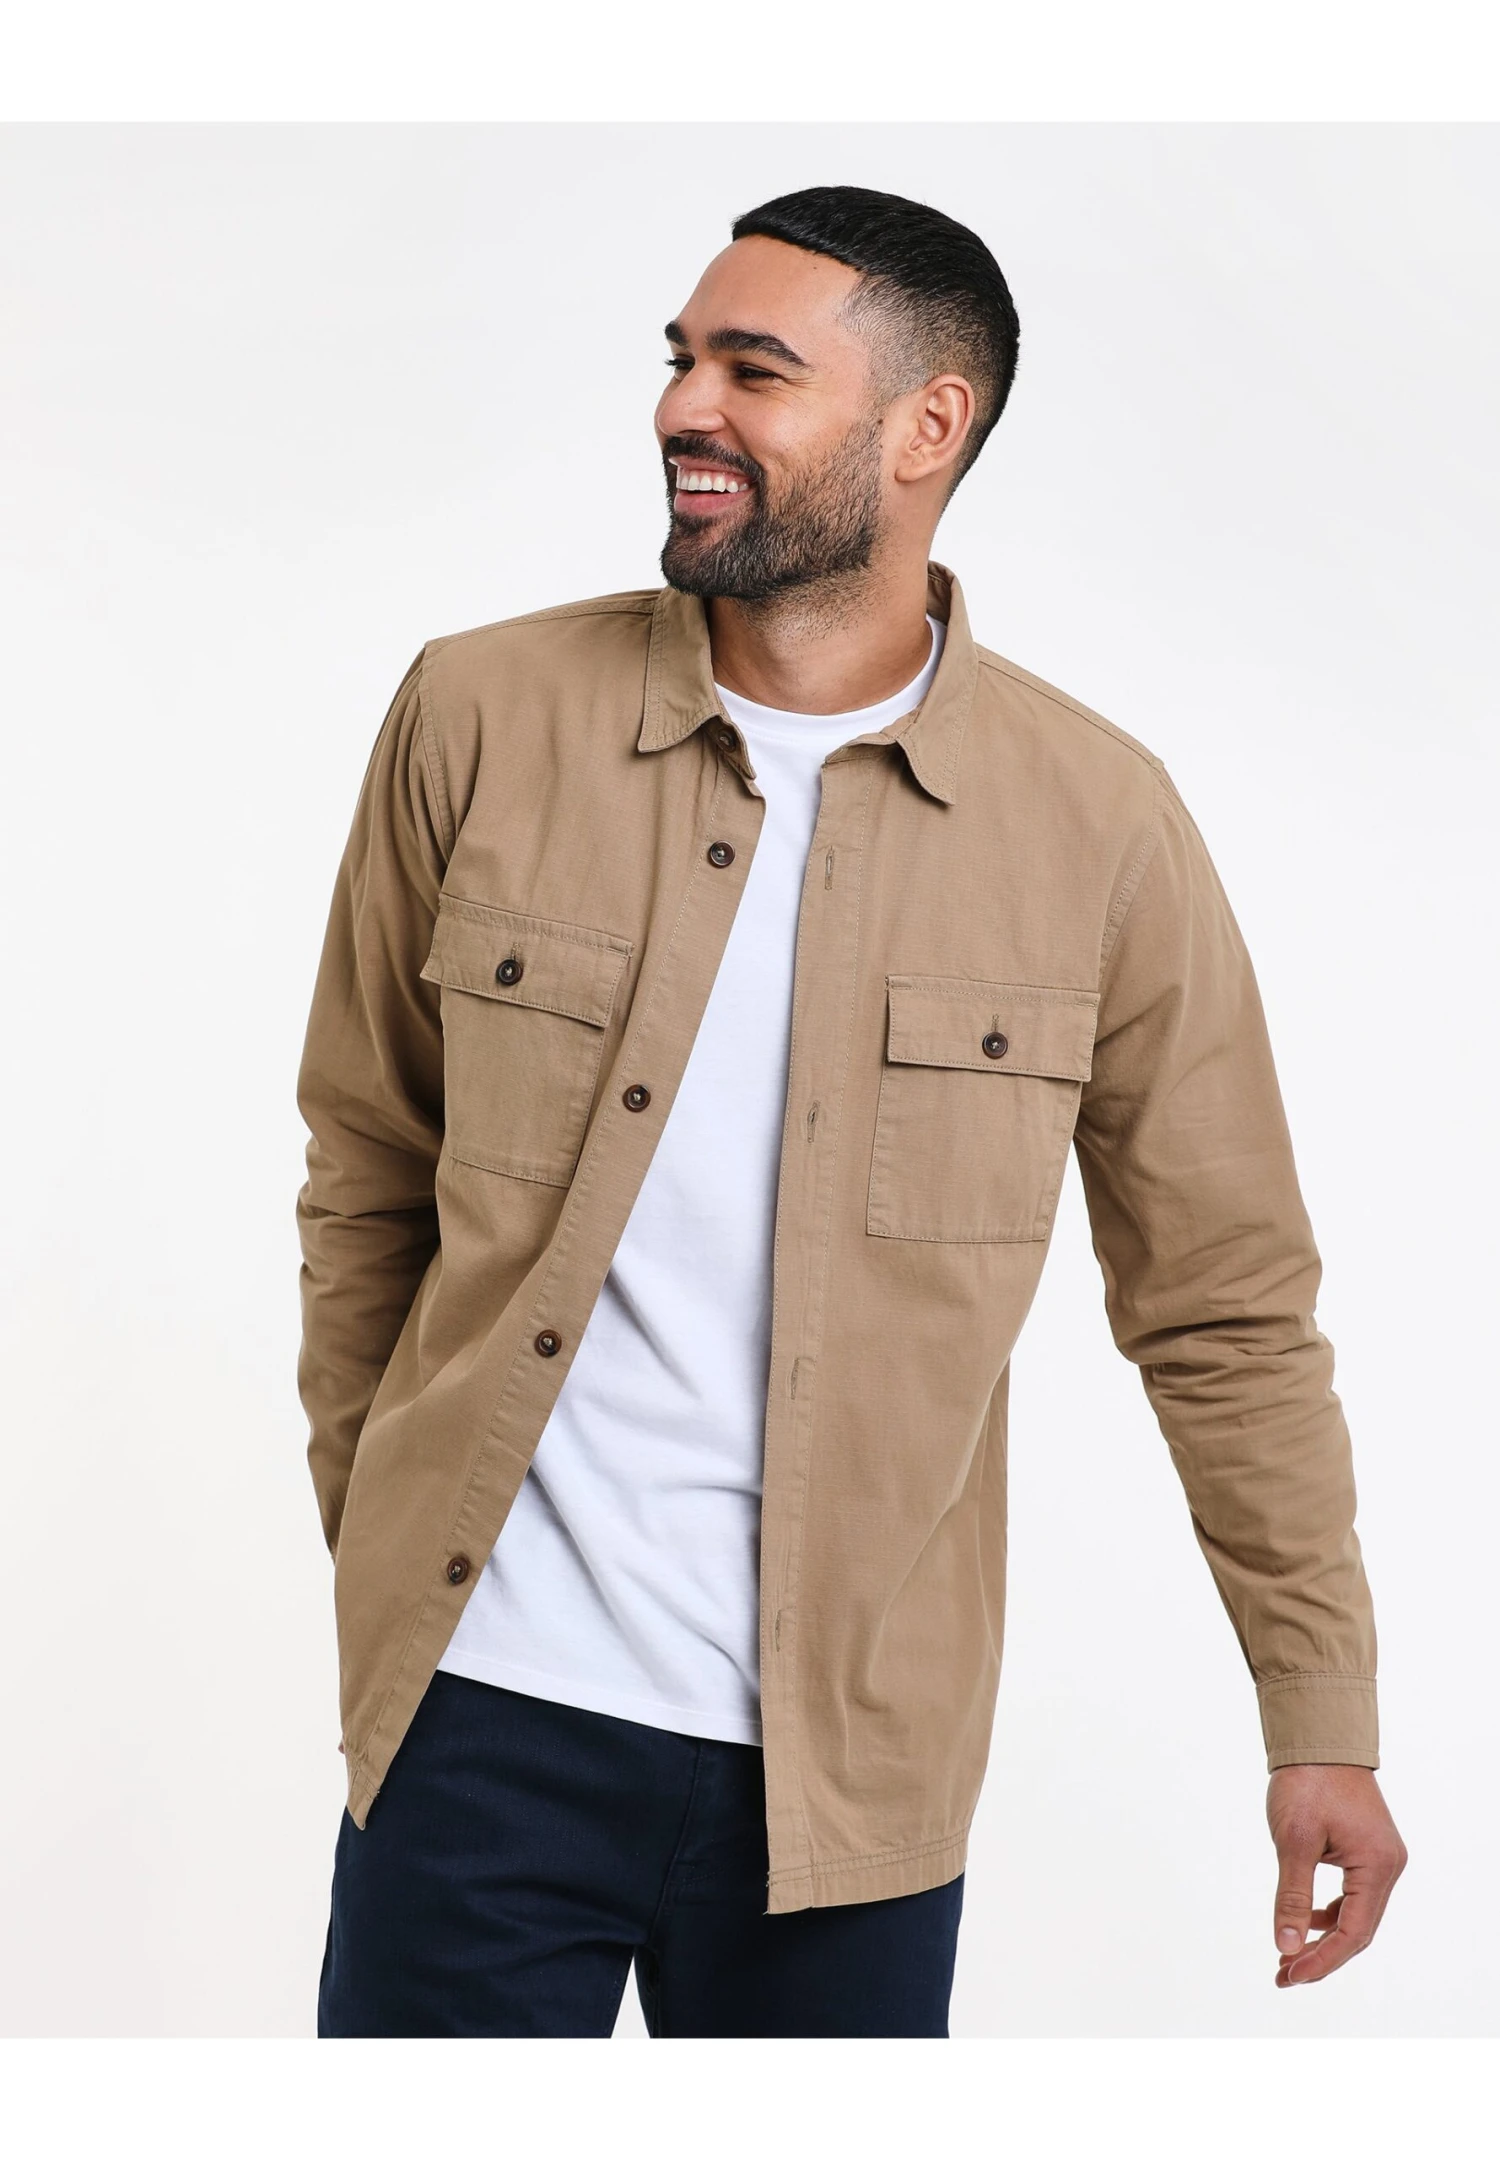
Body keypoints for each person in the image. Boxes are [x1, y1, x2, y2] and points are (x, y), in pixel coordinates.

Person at [297, 184, 1405, 2038]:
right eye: (681, 359)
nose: (685, 406)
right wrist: (384, 1535)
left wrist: (1322, 1719)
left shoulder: (1101, 826)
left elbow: (1225, 1311)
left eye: (755, 370)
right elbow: (367, 1169)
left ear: (925, 427)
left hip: (856, 1775)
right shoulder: (480, 713)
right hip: (477, 1717)